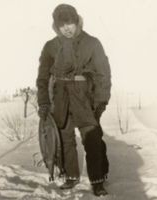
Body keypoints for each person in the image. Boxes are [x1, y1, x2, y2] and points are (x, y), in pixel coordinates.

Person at [36, 4, 111, 197]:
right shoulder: (50, 46)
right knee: (64, 139)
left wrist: (101, 100)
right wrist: (44, 102)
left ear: (76, 21)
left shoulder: (92, 43)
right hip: (60, 98)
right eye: (62, 24)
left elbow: (103, 73)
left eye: (69, 22)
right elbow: (43, 78)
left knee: (92, 139)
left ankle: (98, 180)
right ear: (56, 26)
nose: (67, 28)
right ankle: (71, 176)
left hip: (85, 98)